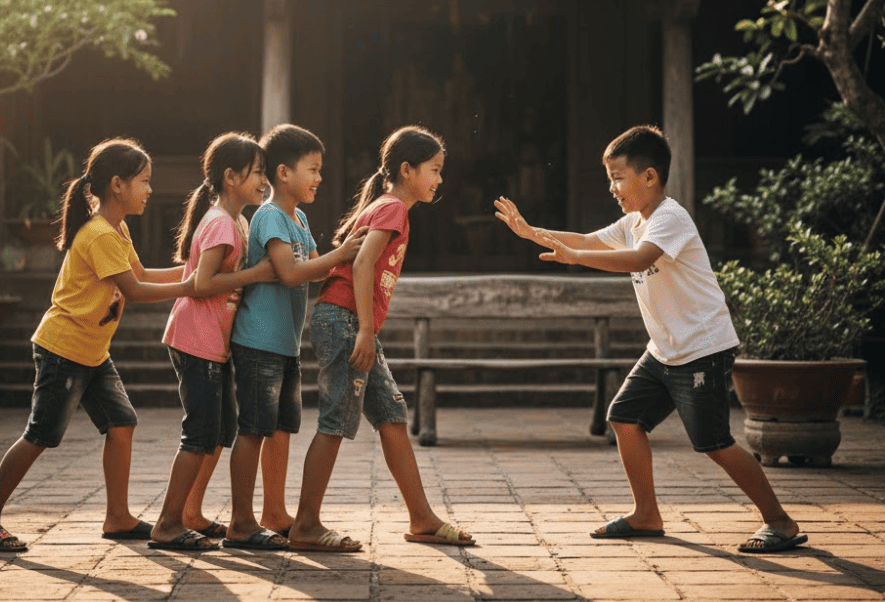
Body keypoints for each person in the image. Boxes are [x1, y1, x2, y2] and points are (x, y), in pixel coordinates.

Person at [494, 124, 806, 554]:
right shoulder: (633, 222)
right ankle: (646, 515)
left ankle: (780, 522)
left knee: (713, 442)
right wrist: (534, 233)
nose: (612, 187)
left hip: (701, 348)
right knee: (624, 418)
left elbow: (640, 259)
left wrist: (576, 258)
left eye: (618, 178)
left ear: (649, 177)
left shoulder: (670, 218)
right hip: (664, 351)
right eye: (609, 179)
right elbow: (588, 241)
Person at [0, 138, 198, 552]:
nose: (150, 190)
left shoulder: (117, 229)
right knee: (41, 434)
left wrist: (194, 269)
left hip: (91, 350)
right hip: (64, 350)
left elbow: (140, 272)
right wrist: (193, 287)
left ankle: (118, 517)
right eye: (144, 181)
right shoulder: (98, 235)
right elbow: (135, 291)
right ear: (118, 184)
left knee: (121, 424)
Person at [289, 125, 475, 553]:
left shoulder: (384, 205)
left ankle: (422, 518)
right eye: (434, 169)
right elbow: (361, 266)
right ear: (407, 170)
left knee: (391, 413)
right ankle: (305, 524)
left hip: (348, 321)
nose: (439, 180)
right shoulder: (393, 208)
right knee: (335, 421)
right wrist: (368, 331)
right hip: (346, 322)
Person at [225, 124, 367, 550]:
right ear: (283, 172)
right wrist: (340, 255)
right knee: (252, 429)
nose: (319, 178)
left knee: (283, 427)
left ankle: (274, 512)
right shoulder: (269, 215)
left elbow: (316, 266)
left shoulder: (298, 217)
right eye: (313, 169)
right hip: (257, 341)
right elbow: (289, 273)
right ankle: (241, 522)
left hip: (284, 344)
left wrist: (346, 254)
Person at [149, 133, 277, 550]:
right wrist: (256, 275)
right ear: (230, 176)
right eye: (257, 172)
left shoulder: (235, 220)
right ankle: (167, 523)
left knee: (219, 433)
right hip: (196, 340)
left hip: (211, 343)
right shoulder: (222, 220)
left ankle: (191, 513)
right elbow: (201, 284)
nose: (263, 180)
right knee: (200, 436)